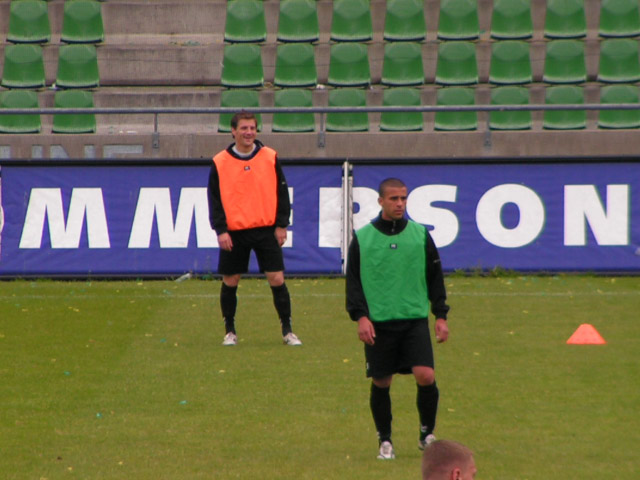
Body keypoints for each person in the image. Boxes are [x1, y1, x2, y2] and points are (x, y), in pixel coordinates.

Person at [346, 177, 450, 460]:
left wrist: (440, 315)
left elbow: (435, 277)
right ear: (380, 201)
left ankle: (427, 434)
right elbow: (353, 281)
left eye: (403, 198)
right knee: (381, 382)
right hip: (379, 323)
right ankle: (385, 441)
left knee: (426, 375)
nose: (400, 204)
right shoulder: (364, 238)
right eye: (394, 199)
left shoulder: (419, 234)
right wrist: (361, 317)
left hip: (414, 320)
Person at [207, 112, 302, 346]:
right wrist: (221, 230)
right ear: (233, 131)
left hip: (266, 230)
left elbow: (282, 193)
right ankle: (230, 331)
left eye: (252, 128)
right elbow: (214, 199)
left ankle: (287, 330)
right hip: (235, 232)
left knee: (277, 278)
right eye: (244, 128)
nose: (248, 132)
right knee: (231, 280)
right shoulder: (220, 161)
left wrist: (281, 224)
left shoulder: (270, 156)